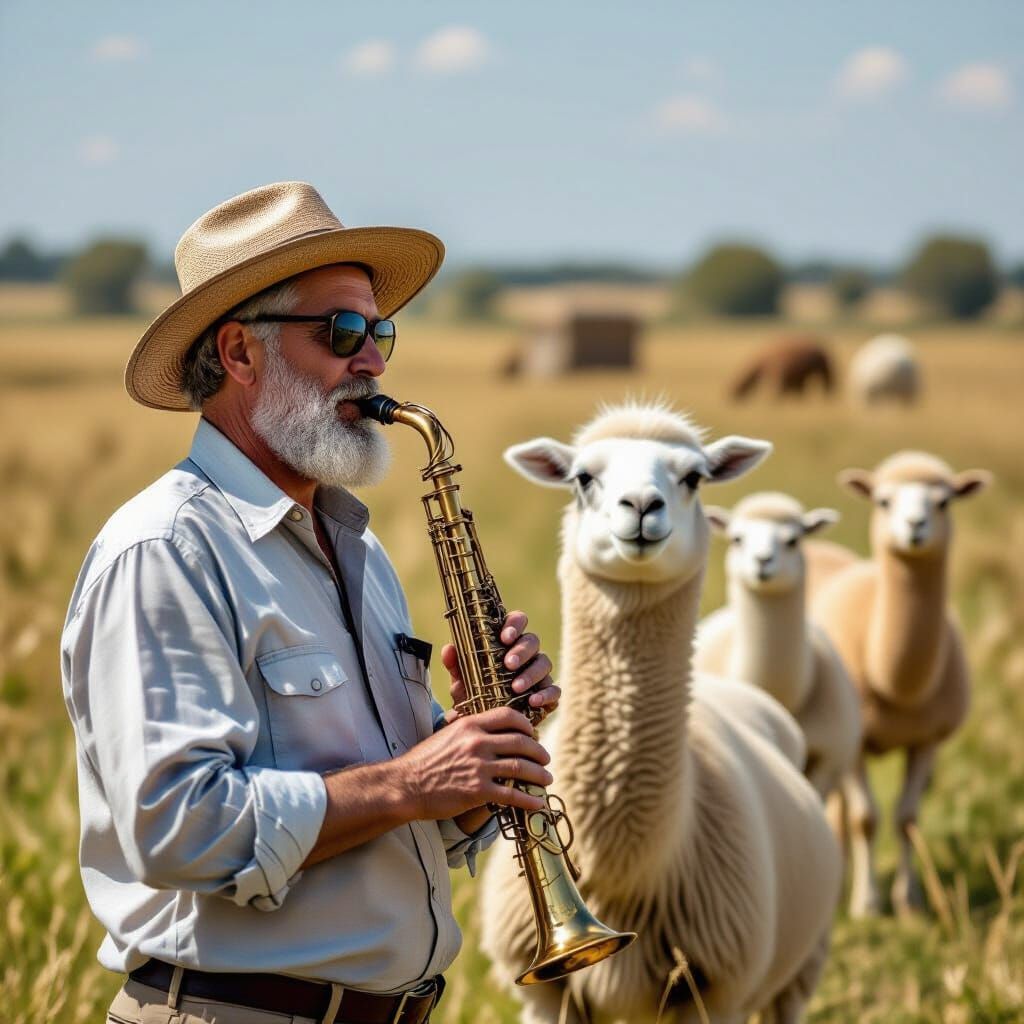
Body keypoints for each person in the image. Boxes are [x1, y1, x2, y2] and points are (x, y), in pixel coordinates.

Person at [60, 182, 560, 1024]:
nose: (373, 361)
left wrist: (478, 750)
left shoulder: (355, 548)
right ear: (240, 352)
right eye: (344, 332)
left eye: (381, 333)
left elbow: (403, 824)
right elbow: (176, 825)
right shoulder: (164, 550)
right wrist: (410, 780)